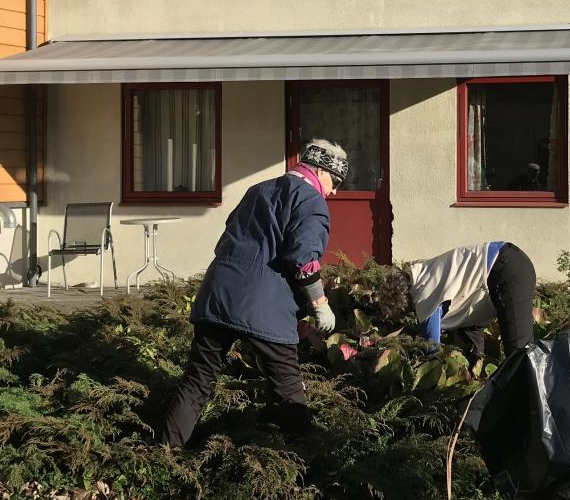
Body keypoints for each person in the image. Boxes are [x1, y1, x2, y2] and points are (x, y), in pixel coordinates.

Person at [157, 139, 348, 447]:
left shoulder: (259, 189)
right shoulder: (312, 201)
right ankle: (303, 464)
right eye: (335, 181)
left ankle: (163, 457)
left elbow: (231, 237)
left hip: (217, 295)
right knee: (287, 389)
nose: (335, 190)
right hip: (264, 307)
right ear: (320, 171)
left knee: (197, 381)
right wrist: (319, 304)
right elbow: (304, 262)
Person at [379, 243, 537, 361]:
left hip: (506, 270)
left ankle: (532, 402)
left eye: (404, 311)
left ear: (404, 302)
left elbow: (431, 347)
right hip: (509, 262)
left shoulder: (424, 296)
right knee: (467, 339)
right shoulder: (423, 273)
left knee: (519, 353)